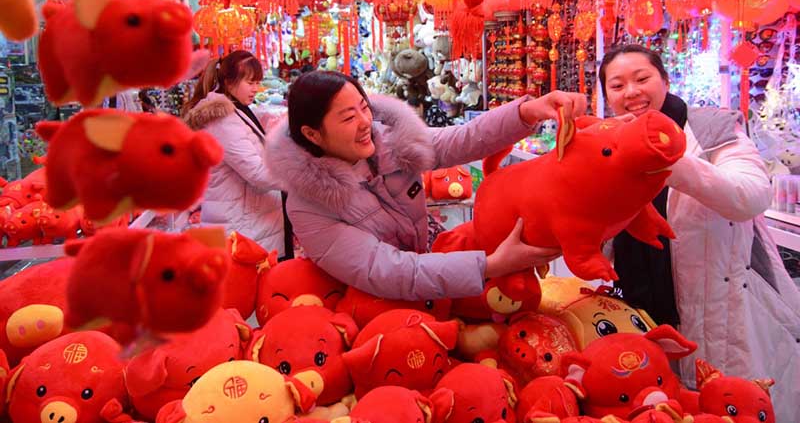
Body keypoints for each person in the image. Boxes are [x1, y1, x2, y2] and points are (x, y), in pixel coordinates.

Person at [598, 43, 800, 418]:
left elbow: (751, 195)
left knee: (724, 404)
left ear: (664, 79)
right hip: (640, 313)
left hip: (719, 314)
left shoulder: (711, 129)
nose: (632, 92)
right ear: (607, 95)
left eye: (642, 79)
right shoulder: (605, 141)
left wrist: (668, 162)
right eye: (617, 85)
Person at [266, 70, 587, 303]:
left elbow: (459, 140)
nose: (365, 122)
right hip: (373, 307)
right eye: (348, 118)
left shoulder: (389, 142)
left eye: (364, 107)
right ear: (312, 134)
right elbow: (383, 271)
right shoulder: (308, 206)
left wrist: (526, 112)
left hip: (433, 270)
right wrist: (490, 266)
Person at [183, 50, 285, 253]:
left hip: (247, 220)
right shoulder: (223, 120)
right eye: (250, 82)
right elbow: (257, 173)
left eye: (257, 82)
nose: (256, 89)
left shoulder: (236, 111)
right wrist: (299, 175)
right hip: (243, 224)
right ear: (229, 82)